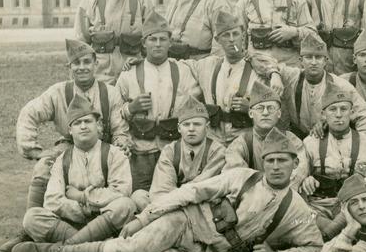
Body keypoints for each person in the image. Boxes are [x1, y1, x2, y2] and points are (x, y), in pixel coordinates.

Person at [9, 129, 323, 252]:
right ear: (263, 162)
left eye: (283, 160)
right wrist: (146, 216)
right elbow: (191, 191)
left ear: (296, 164)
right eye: (270, 160)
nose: (276, 166)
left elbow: (314, 248)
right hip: (185, 222)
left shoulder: (296, 209)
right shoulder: (243, 177)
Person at [3, 39, 131, 252]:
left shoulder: (111, 92)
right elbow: (29, 113)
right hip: (69, 147)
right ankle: (29, 231)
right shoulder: (58, 92)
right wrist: (33, 149)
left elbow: (120, 127)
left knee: (125, 185)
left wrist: (121, 143)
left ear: (95, 64)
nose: (81, 67)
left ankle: (109, 228)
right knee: (44, 167)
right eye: (76, 63)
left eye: (86, 62)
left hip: (104, 146)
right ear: (69, 67)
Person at [19, 95, 136, 246]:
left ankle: (70, 247)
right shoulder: (62, 160)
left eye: (88, 121)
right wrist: (83, 210)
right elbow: (52, 201)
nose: (83, 126)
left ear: (98, 125)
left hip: (104, 220)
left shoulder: (115, 154)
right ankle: (88, 245)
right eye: (77, 123)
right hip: (71, 223)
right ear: (70, 129)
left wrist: (82, 197)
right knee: (32, 218)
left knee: (125, 205)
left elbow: (121, 191)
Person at [115, 11, 201, 195]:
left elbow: (194, 109)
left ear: (171, 42)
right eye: (152, 39)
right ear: (144, 43)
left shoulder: (183, 71)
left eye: (163, 39)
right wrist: (130, 109)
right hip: (139, 151)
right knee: (139, 197)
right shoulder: (128, 74)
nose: (158, 44)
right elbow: (114, 113)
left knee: (172, 196)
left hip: (173, 151)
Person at [300, 83, 366, 240]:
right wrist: (306, 181)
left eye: (343, 109)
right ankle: (331, 231)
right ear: (323, 114)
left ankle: (332, 231)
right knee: (299, 215)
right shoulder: (310, 143)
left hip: (355, 207)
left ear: (352, 112)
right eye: (333, 110)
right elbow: (295, 184)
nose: (338, 114)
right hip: (319, 206)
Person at [181, 11, 280, 146]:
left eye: (236, 34)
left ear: (243, 36)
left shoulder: (259, 68)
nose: (232, 39)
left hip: (246, 139)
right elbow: (180, 65)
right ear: (217, 40)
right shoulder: (207, 66)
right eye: (226, 35)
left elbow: (274, 110)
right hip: (214, 140)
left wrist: (251, 107)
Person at [130, 96, 226, 211]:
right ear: (179, 128)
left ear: (207, 127)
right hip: (173, 204)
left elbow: (203, 188)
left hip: (202, 205)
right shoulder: (170, 151)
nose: (191, 129)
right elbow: (162, 190)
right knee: (139, 196)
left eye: (197, 124)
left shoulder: (217, 150)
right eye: (186, 124)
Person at [273, 33, 366, 140]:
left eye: (318, 57)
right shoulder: (291, 77)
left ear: (325, 61)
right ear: (301, 61)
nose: (313, 62)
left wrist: (362, 143)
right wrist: (274, 74)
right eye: (308, 57)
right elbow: (267, 61)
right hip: (297, 138)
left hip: (329, 140)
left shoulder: (340, 85)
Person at [223, 79, 309, 190]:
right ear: (250, 113)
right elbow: (235, 173)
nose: (265, 113)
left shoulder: (292, 140)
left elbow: (300, 171)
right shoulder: (241, 143)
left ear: (279, 113)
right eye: (260, 108)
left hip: (286, 196)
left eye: (271, 108)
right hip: (253, 197)